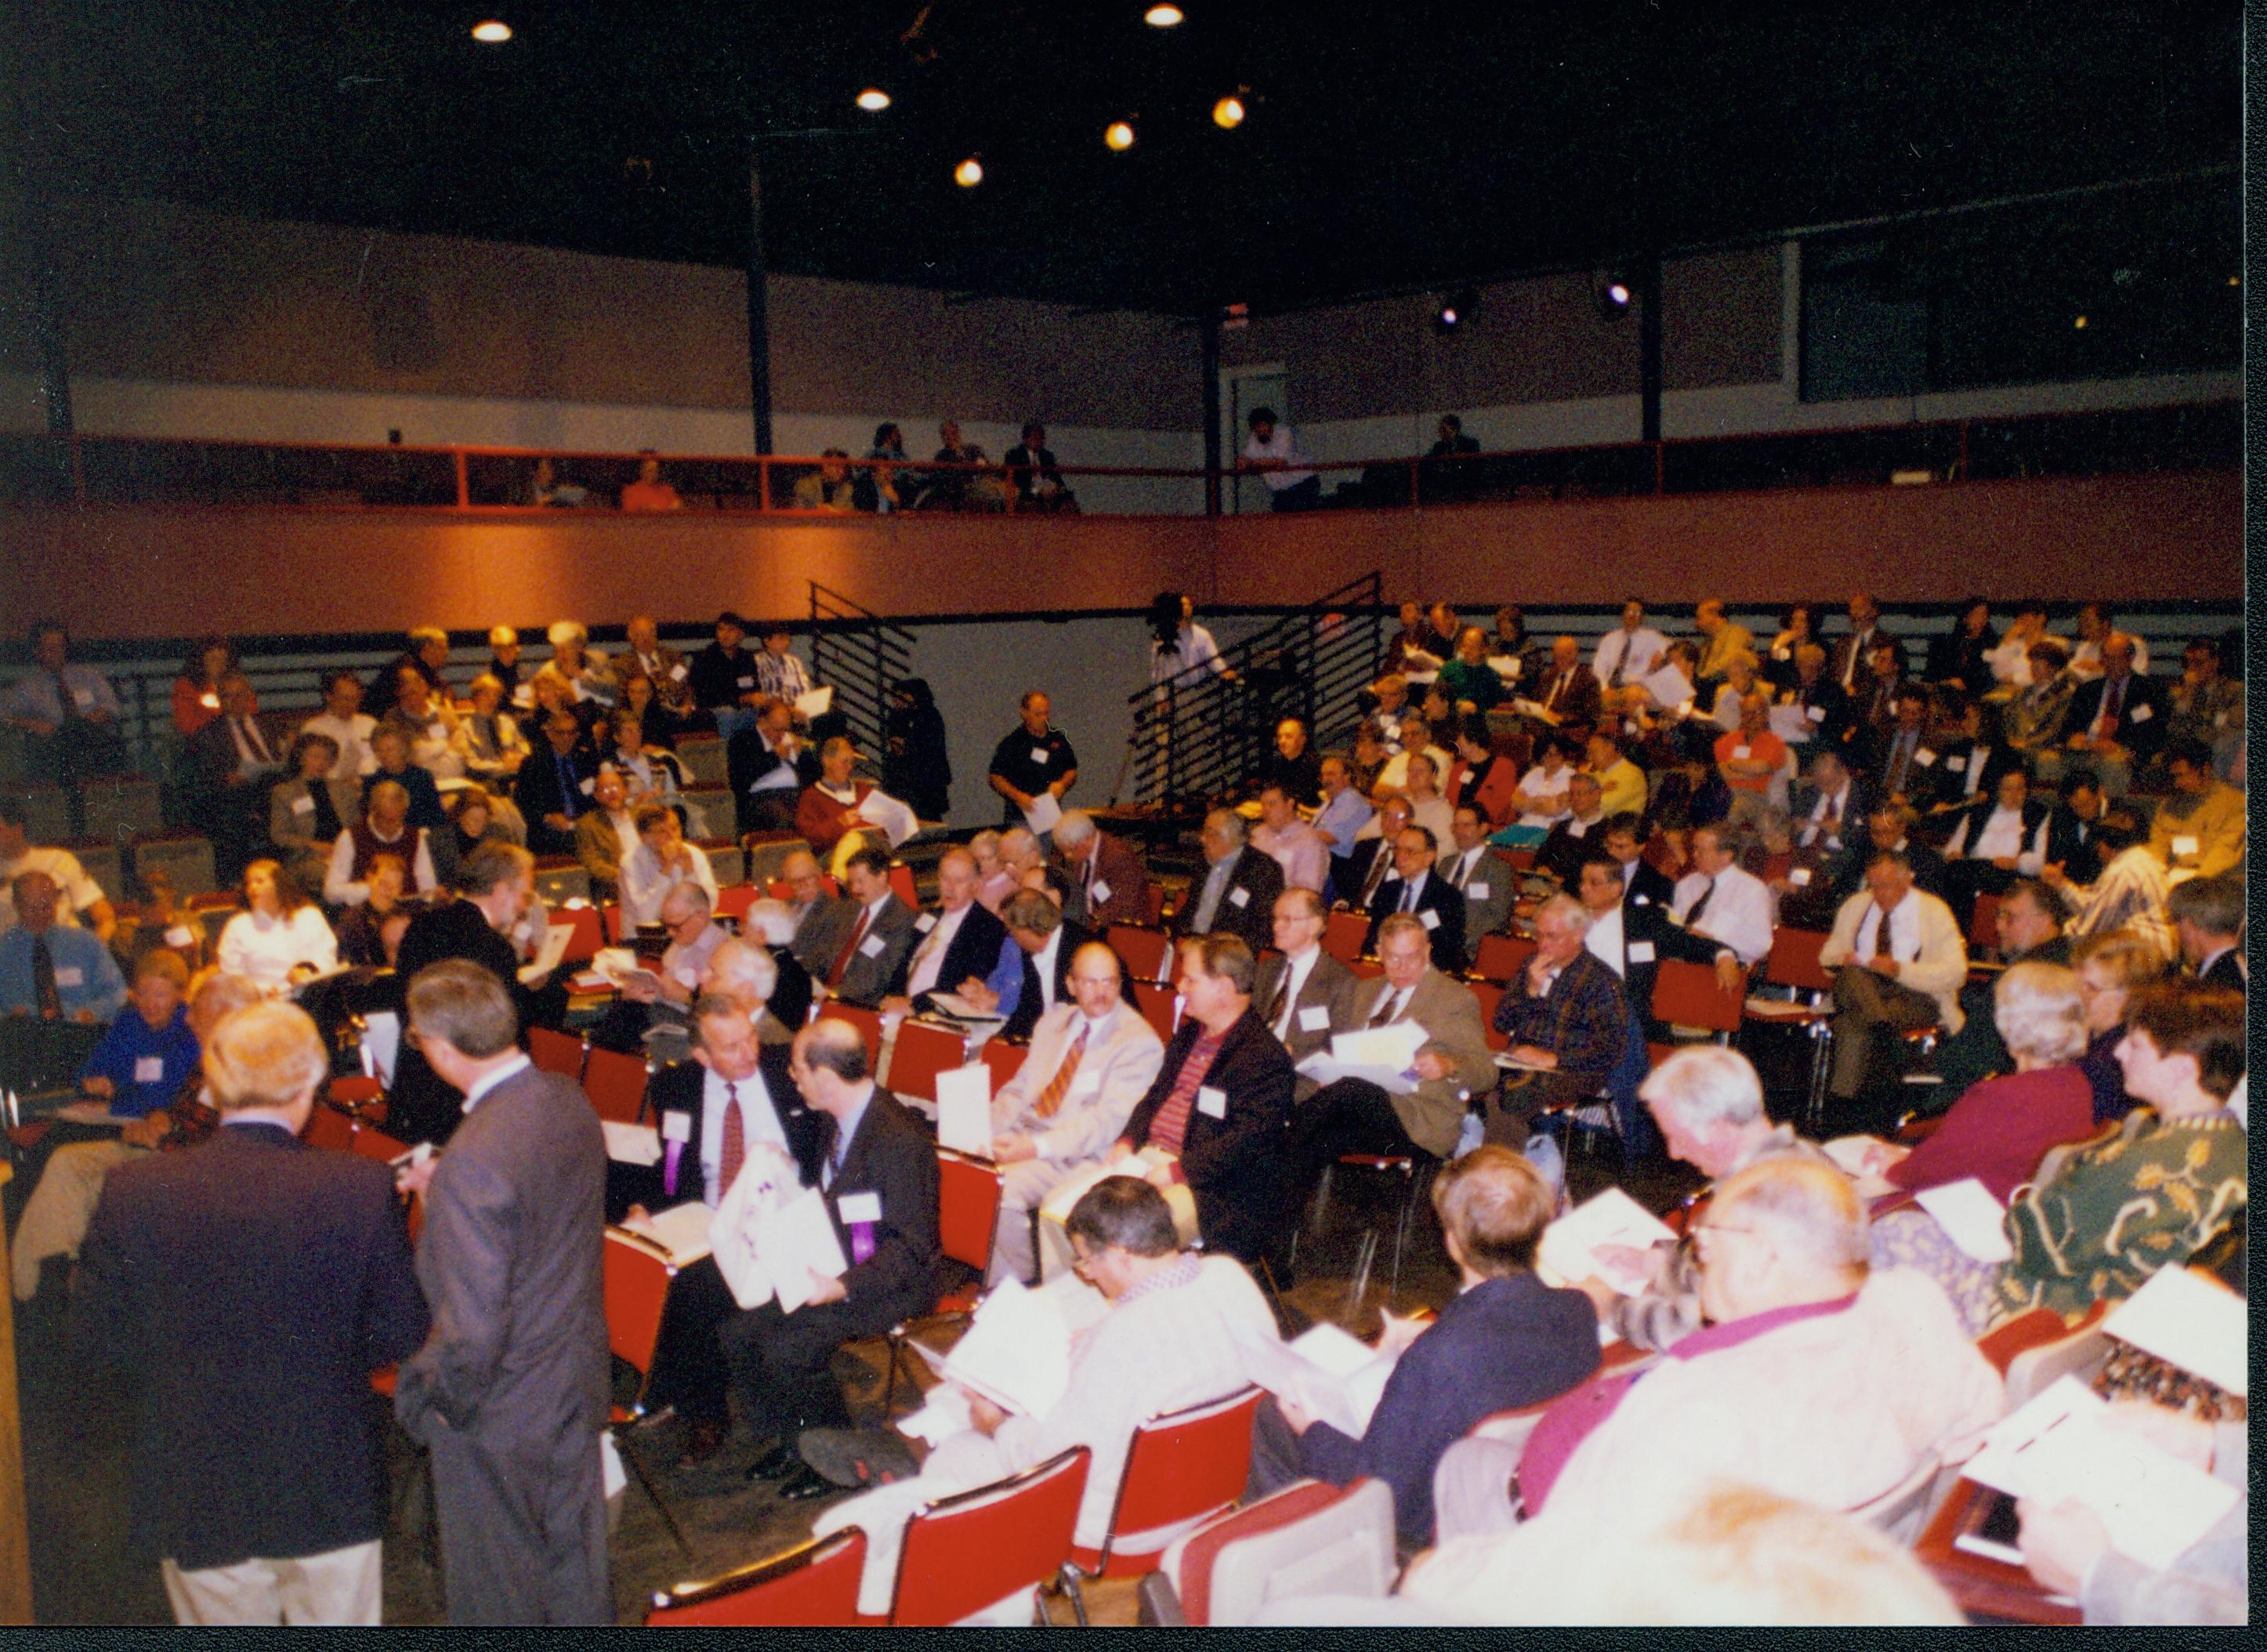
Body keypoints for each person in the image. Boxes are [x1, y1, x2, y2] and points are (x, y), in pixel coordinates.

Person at [1427, 1157, 2003, 1560]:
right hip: (1814, 1558)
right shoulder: (1913, 1299)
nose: (1696, 1260)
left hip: (1573, 1543)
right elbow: (1978, 1421)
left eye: (1704, 1244)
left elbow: (1603, 1551)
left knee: (1464, 1464)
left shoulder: (1709, 1400)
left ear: (1758, 1262)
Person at [72, 1000, 427, 1625]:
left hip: (195, 1478)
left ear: (212, 1086)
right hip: (325, 1476)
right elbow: (400, 1331)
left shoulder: (135, 1192)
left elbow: (100, 1345)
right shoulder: (359, 1186)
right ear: (308, 1085)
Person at [811, 1177, 1273, 1618]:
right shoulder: (1229, 1276)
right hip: (1215, 1490)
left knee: (959, 1454)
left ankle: (967, 1590)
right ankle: (911, 1447)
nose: (1088, 1276)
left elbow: (1051, 1459)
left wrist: (997, 1422)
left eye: (1087, 1263)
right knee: (983, 1407)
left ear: (1121, 1254)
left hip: (1122, 1526)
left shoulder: (1123, 1340)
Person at [391, 961, 610, 1624]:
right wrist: (448, 1191)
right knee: (576, 1570)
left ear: (440, 1048)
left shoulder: (474, 1160)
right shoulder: (567, 1099)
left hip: (502, 1410)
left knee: (497, 1594)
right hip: (573, 1378)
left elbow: (471, 1330)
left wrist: (439, 1409)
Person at [1249, 1146, 1599, 1548]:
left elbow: (1379, 1488)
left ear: (1453, 1243)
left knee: (1274, 1417)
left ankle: (1288, 1555)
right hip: (1518, 1492)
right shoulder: (1577, 1311)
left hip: (1425, 1527)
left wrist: (1310, 1430)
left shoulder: (1439, 1356)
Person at [1871, 983, 2246, 1334]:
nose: (2117, 1052)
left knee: (1892, 1234)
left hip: (2049, 1312)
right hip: (2114, 1307)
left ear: (2182, 1069)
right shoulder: (2230, 1145)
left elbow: (2033, 1240)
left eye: (2135, 1044)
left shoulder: (2152, 1163)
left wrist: (2022, 1207)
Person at [733, 1019, 940, 1498]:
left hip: (888, 1285)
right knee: (740, 1328)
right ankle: (795, 1438)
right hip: (834, 1259)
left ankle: (833, 1458)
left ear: (826, 1076)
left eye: (799, 1069)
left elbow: (911, 1250)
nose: (792, 1077)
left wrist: (842, 1286)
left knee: (787, 1346)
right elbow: (833, 1192)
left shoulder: (899, 1141)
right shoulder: (835, 1116)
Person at [614, 994, 822, 1462]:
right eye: (730, 1047)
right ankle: (673, 1389)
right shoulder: (677, 1088)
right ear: (702, 1055)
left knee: (692, 1289)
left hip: (774, 1228)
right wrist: (642, 1208)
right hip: (701, 1218)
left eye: (749, 1036)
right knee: (644, 1261)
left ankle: (706, 1413)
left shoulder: (788, 1079)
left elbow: (823, 1159)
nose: (748, 1052)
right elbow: (668, 1167)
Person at [983, 941, 1168, 1284]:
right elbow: (1019, 1089)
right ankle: (994, 1275)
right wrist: (983, 1133)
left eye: (1109, 982)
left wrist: (1034, 1148)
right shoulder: (1052, 1023)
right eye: (1090, 982)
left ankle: (1018, 1288)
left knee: (997, 1191)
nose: (1101, 992)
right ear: (1070, 985)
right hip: (1026, 1137)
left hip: (1077, 1155)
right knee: (962, 1168)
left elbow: (1105, 1122)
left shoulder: (1138, 1041)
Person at [1116, 934, 1297, 1266]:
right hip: (1149, 1161)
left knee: (1117, 1235)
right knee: (1062, 1210)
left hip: (1211, 1190)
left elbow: (1246, 1142)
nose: (1181, 987)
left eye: (1191, 980)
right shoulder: (1190, 1035)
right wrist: (1127, 1141)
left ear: (1224, 989)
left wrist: (1178, 1170)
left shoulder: (1263, 1058)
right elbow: (1156, 1095)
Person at [1863, 962, 2097, 1204]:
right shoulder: (2077, 1086)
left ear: (2011, 1022)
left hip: (1972, 1217)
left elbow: (1934, 1167)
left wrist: (1895, 1166)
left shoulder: (2001, 1097)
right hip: (2019, 1211)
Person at [1290, 913, 1494, 1185]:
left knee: (1349, 1092)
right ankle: (1272, 1215)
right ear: (1379, 953)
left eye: (1412, 956)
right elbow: (1339, 1050)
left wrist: (1449, 1065)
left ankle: (1272, 1152)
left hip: (1416, 1116)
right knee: (1315, 1142)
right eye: (1394, 958)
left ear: (1428, 950)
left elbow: (1487, 1071)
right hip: (1355, 1110)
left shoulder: (1454, 999)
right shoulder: (1364, 991)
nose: (1403, 967)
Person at [386, 844, 556, 1147]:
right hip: (465, 1105)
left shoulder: (421, 926)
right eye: (524, 895)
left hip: (414, 1089)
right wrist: (543, 994)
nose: (523, 907)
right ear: (502, 890)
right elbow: (505, 1031)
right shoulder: (491, 947)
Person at [1817, 850, 1968, 1122]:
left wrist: (1901, 970)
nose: (1878, 893)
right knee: (1852, 974)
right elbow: (1827, 957)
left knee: (1852, 1026)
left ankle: (1841, 1115)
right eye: (1872, 885)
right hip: (1860, 987)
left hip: (1913, 996)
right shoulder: (1857, 905)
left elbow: (1956, 973)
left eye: (1885, 886)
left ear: (1907, 880)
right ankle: (1885, 1034)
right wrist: (1844, 958)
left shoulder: (1933, 911)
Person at [1487, 895, 1627, 1143]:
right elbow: (1501, 1022)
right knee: (1472, 1074)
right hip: (1522, 1060)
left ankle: (1501, 1172)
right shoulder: (1531, 965)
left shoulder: (1601, 981)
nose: (1542, 944)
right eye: (1538, 934)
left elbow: (1611, 1049)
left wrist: (1554, 1058)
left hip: (1573, 1069)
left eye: (1552, 936)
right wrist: (1530, 991)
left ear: (1578, 935)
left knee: (1514, 1095)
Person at [1929, 877, 2071, 1094]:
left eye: (2010, 918)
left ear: (2044, 921)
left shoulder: (2023, 978)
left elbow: (1974, 1055)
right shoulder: (2070, 961)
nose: (1999, 927)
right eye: (1998, 916)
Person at [2, 619, 129, 799]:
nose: (57, 653)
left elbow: (112, 707)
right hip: (55, 746)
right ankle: (75, 800)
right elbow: (4, 717)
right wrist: (31, 723)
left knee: (83, 733)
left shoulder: (87, 676)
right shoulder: (28, 688)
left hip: (92, 738)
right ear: (37, 652)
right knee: (62, 741)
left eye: (60, 647)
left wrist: (91, 719)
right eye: (50, 648)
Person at [1, 869, 126, 1020]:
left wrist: (93, 1013)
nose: (40, 915)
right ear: (16, 905)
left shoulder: (85, 943)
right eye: (32, 909)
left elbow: (117, 993)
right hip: (26, 1035)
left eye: (47, 907)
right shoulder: (5, 950)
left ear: (56, 901)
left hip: (83, 1032)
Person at [804, 844, 918, 1009]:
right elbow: (823, 953)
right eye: (851, 882)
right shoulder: (848, 909)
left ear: (881, 877)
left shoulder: (901, 920)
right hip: (825, 994)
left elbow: (878, 979)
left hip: (860, 1003)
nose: (854, 889)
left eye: (860, 881)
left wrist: (834, 994)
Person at [2069, 929, 2164, 1123]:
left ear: (2131, 997)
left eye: (2092, 988)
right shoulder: (2092, 1042)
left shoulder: (2105, 1065)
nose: (2078, 996)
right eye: (2076, 985)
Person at [2059, 633, 2166, 796]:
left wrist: (2123, 748)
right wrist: (2074, 737)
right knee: (2048, 760)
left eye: (2116, 658)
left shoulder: (2150, 691)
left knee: (2113, 764)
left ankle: (2109, 815)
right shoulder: (2088, 690)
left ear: (2130, 658)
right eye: (2106, 658)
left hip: (2128, 752)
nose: (2110, 664)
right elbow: (2067, 727)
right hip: (2086, 749)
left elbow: (2153, 737)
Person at [0, 797, 118, 940]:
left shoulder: (59, 860)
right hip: (12, 955)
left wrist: (97, 950)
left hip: (67, 950)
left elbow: (103, 914)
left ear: (17, 828)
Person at [215, 859, 337, 994]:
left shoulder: (309, 916)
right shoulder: (237, 926)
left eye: (260, 881)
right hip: (261, 1003)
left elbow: (327, 954)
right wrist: (261, 991)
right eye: (249, 883)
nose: (253, 888)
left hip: (310, 997)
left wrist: (309, 971)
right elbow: (232, 976)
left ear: (279, 884)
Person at [1182, 808, 1284, 955]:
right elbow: (1190, 910)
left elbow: (1262, 928)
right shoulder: (1204, 864)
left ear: (1230, 837)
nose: (1202, 839)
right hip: (1192, 947)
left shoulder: (1263, 869)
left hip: (1229, 955)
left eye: (1210, 833)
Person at [324, 777, 437, 906]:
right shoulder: (351, 836)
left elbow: (427, 884)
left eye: (399, 819)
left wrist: (433, 896)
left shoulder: (415, 837)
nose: (394, 826)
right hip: (366, 913)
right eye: (387, 820)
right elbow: (331, 892)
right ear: (373, 811)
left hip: (405, 911)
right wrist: (372, 889)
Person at [2145, 737, 2243, 882]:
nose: (2177, 783)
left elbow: (2223, 854)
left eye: (2182, 775)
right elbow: (2157, 847)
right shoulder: (2170, 806)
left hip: (2215, 882)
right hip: (2175, 876)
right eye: (2174, 777)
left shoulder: (2235, 804)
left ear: (2205, 769)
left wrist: (2193, 885)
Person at [987, 690, 1078, 828]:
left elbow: (1071, 769)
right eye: (1038, 714)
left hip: (1052, 815)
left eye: (1046, 713)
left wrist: (1062, 784)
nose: (1043, 718)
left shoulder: (1058, 739)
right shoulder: (1012, 743)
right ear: (1024, 713)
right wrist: (1018, 796)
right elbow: (995, 777)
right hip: (1021, 816)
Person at [515, 710, 598, 855]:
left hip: (585, 826)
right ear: (550, 734)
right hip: (550, 830)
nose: (567, 738)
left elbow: (596, 796)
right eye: (561, 733)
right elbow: (523, 801)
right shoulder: (534, 764)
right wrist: (548, 817)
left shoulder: (587, 760)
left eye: (571, 733)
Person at [726, 694, 812, 835]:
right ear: (762, 723)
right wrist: (774, 757)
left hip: (796, 795)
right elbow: (740, 779)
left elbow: (812, 777)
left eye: (787, 729)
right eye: (778, 730)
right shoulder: (743, 739)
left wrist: (800, 755)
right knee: (784, 818)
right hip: (761, 799)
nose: (782, 735)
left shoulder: (790, 740)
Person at [2164, 636, 2243, 777]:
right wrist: (2187, 697)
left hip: (2216, 750)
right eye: (2188, 664)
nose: (2192, 669)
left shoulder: (2234, 691)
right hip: (2187, 750)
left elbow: (2231, 727)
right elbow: (2173, 730)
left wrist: (2199, 737)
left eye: (2199, 663)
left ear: (2215, 663)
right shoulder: (2183, 693)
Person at [882, 676, 952, 821]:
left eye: (903, 695)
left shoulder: (929, 715)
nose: (897, 701)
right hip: (904, 774)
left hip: (926, 776)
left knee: (928, 816)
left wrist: (907, 745)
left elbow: (930, 745)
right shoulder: (897, 716)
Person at [2166, 872, 2244, 993]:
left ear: (2189, 924)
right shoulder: (2239, 968)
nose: (2176, 931)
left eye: (2175, 921)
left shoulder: (2217, 983)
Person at [300, 669, 378, 784]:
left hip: (371, 784)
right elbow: (310, 771)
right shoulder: (315, 729)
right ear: (329, 697)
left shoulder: (370, 724)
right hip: (333, 787)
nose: (349, 704)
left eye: (354, 699)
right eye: (344, 698)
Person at [1239, 406, 1320, 511]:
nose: (1261, 430)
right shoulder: (1254, 439)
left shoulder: (1284, 433)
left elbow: (1280, 462)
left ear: (1271, 425)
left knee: (1302, 521)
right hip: (1281, 490)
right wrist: (1247, 462)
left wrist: (1253, 463)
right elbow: (1244, 461)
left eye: (1264, 425)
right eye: (1257, 427)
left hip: (1302, 484)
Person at [364, 625, 451, 721]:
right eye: (442, 648)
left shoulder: (423, 669)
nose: (446, 653)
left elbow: (441, 689)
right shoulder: (406, 671)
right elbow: (414, 705)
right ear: (427, 648)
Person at [171, 635, 241, 737]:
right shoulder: (186, 687)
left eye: (223, 660)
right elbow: (186, 726)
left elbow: (249, 712)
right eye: (213, 659)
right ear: (201, 660)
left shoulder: (238, 685)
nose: (219, 664)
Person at [1004, 420, 1078, 513]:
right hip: (1028, 492)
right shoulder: (1014, 454)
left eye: (1041, 438)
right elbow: (1016, 481)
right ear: (1025, 439)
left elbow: (1056, 478)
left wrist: (1055, 488)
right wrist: (1038, 491)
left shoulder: (1047, 456)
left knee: (1069, 501)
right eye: (1034, 437)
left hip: (1048, 491)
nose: (1038, 441)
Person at [618, 450, 683, 510]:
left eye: (655, 470)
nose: (653, 474)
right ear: (641, 470)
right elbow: (629, 516)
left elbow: (678, 508)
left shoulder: (667, 490)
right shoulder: (630, 491)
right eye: (650, 470)